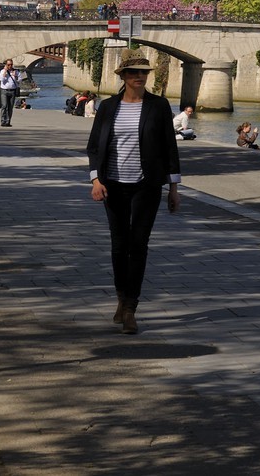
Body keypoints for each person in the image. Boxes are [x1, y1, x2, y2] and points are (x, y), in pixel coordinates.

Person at [86, 53, 181, 336]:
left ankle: (130, 308)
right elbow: (94, 146)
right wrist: (95, 180)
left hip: (146, 185)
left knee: (138, 244)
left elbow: (169, 149)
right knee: (119, 245)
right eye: (133, 73)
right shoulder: (108, 107)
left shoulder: (159, 106)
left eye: (144, 73)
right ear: (123, 77)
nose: (140, 77)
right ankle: (120, 297)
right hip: (112, 184)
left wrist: (173, 188)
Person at [0, 59, 22, 127]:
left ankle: (8, 121)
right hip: (4, 91)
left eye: (11, 64)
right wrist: (5, 71)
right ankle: (3, 121)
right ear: (6, 65)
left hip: (12, 91)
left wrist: (15, 76)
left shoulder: (16, 71)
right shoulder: (2, 71)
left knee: (10, 107)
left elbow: (20, 80)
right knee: (4, 106)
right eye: (8, 65)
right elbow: (1, 79)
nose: (10, 66)